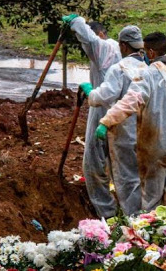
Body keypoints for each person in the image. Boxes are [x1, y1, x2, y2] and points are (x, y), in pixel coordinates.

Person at [95, 32, 166, 211]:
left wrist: (106, 122)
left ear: (151, 53)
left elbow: (131, 101)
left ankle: (151, 235)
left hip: (157, 146)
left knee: (152, 199)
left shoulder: (149, 76)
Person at [79, 25, 148, 216]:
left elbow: (105, 95)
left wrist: (90, 93)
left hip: (122, 130)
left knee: (125, 177)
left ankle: (129, 219)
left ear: (123, 46)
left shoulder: (119, 69)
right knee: (138, 176)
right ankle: (144, 218)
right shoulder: (149, 69)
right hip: (144, 131)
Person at [62, 14, 121, 218]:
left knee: (94, 161)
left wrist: (76, 21)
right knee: (121, 161)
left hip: (104, 106)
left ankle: (107, 211)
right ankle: (127, 210)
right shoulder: (124, 53)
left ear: (102, 34)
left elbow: (89, 39)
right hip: (125, 110)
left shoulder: (105, 47)